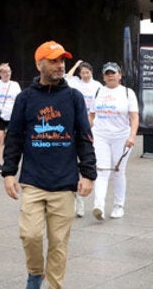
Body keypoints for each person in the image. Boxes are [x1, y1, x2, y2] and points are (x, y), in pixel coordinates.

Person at [2, 41, 95, 289]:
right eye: (53, 61)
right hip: (33, 181)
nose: (60, 65)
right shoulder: (25, 98)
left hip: (64, 183)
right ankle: (34, 273)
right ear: (39, 64)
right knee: (30, 235)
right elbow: (15, 137)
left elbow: (84, 136)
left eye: (62, 61)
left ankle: (55, 286)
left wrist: (88, 173)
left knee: (58, 244)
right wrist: (8, 173)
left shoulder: (74, 97)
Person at [89, 62, 139, 220]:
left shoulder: (127, 92)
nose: (110, 76)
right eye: (107, 73)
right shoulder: (98, 91)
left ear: (120, 75)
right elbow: (91, 114)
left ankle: (118, 206)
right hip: (101, 136)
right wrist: (89, 131)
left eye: (113, 73)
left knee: (118, 171)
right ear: (103, 77)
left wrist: (132, 136)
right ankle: (99, 206)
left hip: (121, 137)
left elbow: (134, 117)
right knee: (102, 170)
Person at [65, 59, 100, 218]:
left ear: (92, 72)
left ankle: (81, 200)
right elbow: (67, 78)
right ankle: (75, 202)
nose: (85, 75)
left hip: (90, 126)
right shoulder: (76, 84)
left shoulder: (97, 86)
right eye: (82, 72)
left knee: (84, 161)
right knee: (72, 164)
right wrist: (76, 64)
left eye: (87, 72)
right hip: (74, 124)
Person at [0, 62, 22, 174]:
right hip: (0, 114)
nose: (8, 74)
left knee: (12, 139)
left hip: (12, 114)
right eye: (5, 72)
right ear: (0, 73)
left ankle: (10, 161)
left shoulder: (15, 84)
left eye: (9, 71)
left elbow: (19, 99)